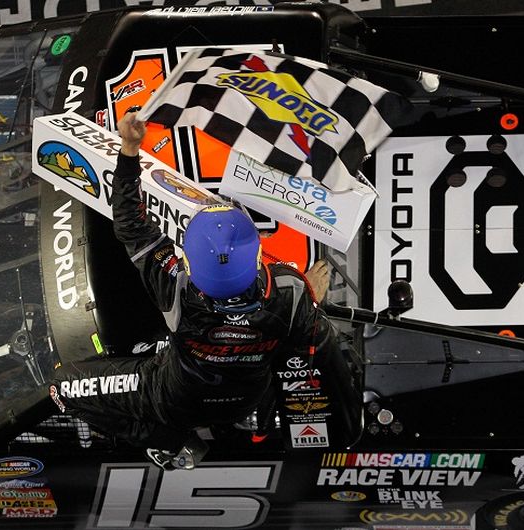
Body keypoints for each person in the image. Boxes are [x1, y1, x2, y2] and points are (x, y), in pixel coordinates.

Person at [48, 111, 359, 470]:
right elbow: (320, 354)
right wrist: (311, 299)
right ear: (259, 256)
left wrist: (130, 149)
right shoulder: (292, 294)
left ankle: (169, 442)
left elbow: (130, 223)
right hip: (245, 400)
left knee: (60, 388)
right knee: (146, 349)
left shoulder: (176, 285)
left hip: (172, 395)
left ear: (190, 267)